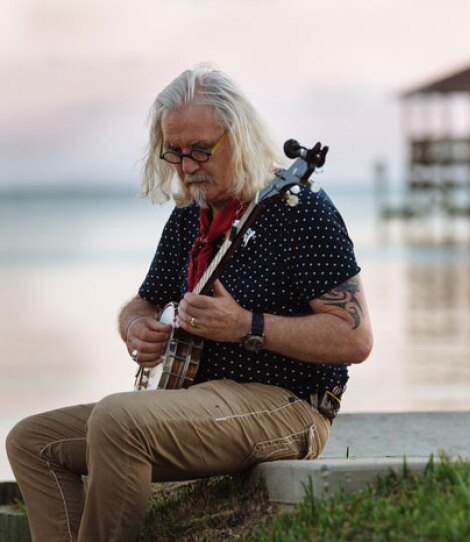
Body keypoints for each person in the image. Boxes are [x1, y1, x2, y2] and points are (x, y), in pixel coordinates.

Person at [5, 63, 372, 541]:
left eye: (201, 148)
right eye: (174, 152)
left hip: (289, 405)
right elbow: (142, 303)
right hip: (198, 401)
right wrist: (135, 328)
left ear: (238, 136)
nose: (187, 165)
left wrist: (247, 325)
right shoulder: (191, 217)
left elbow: (356, 337)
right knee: (33, 441)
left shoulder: (299, 211)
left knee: (119, 419)